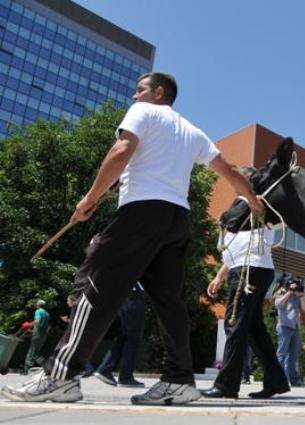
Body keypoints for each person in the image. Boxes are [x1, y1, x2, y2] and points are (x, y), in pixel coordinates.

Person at [2, 72, 263, 405]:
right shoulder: (194, 132)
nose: (134, 96)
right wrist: (253, 201)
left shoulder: (144, 111)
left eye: (140, 90)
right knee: (170, 301)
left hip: (142, 212)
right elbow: (230, 170)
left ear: (158, 92)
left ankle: (61, 375)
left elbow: (122, 149)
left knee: (96, 284)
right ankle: (179, 380)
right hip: (177, 220)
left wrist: (90, 198)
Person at [201, 227, 290, 399]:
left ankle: (226, 385)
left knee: (234, 325)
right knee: (253, 329)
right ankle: (276, 380)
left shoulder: (254, 217)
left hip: (248, 271)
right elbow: (234, 256)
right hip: (252, 269)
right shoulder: (231, 231)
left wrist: (247, 199)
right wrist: (219, 277)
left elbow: (259, 205)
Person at [94, 283, 146, 388]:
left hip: (129, 295)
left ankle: (106, 369)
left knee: (124, 336)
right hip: (133, 295)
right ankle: (125, 377)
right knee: (132, 338)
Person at [275, 276, 305, 387]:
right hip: (284, 326)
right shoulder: (282, 292)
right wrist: (289, 292)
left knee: (293, 355)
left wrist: (301, 296)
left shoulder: (297, 296)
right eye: (293, 285)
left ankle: (293, 380)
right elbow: (278, 305)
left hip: (295, 327)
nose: (295, 287)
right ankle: (278, 378)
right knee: (281, 354)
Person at [22, 300, 50, 374]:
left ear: (38, 305)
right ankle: (46, 367)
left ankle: (26, 370)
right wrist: (32, 330)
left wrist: (29, 324)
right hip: (43, 335)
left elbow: (37, 321)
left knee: (32, 352)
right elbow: (47, 326)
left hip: (38, 334)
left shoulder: (38, 311)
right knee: (36, 352)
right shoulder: (47, 314)